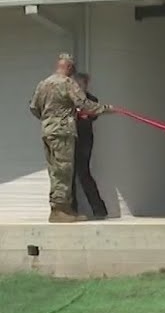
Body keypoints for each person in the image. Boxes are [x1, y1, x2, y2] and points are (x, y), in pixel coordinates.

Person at [29, 54, 112, 223]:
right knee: (64, 170)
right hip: (63, 132)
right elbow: (84, 104)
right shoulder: (67, 83)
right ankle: (60, 210)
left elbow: (33, 107)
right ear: (68, 67)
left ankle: (60, 208)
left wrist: (48, 119)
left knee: (55, 171)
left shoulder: (43, 84)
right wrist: (106, 109)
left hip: (48, 131)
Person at [72, 72, 109, 219]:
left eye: (83, 84)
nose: (80, 87)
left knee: (83, 173)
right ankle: (71, 210)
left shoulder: (91, 100)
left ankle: (99, 210)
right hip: (69, 140)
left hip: (84, 141)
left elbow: (93, 115)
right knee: (68, 176)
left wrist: (84, 115)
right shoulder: (69, 100)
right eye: (78, 85)